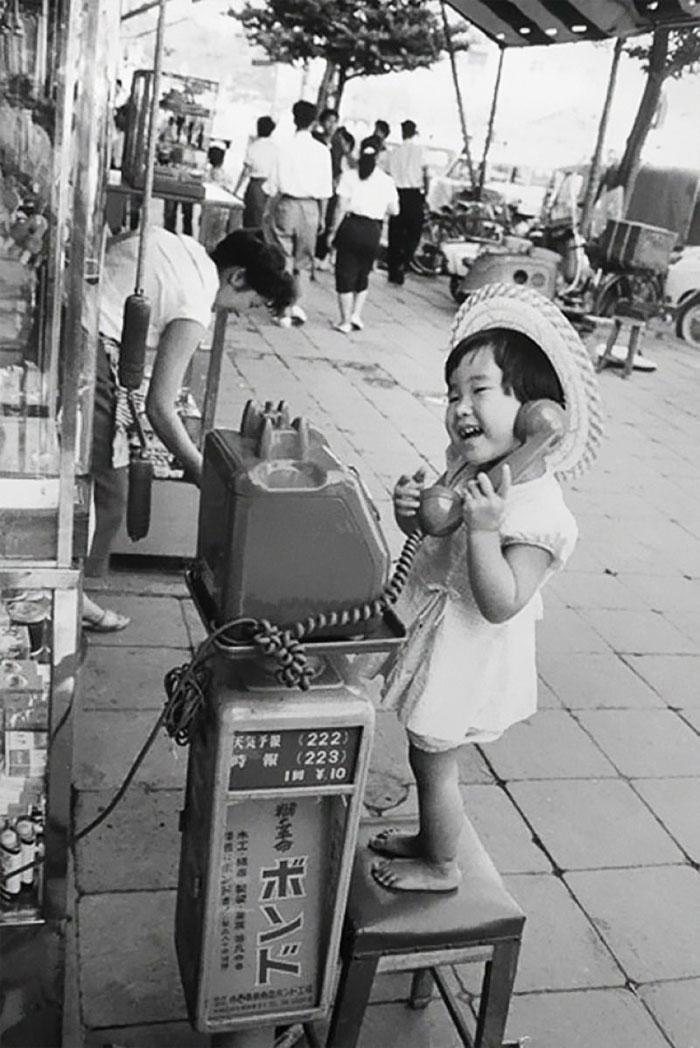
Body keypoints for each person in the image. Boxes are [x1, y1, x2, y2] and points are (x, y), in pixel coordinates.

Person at [367, 287, 602, 892]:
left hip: (469, 655)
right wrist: (410, 511)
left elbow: (502, 601)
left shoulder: (536, 511)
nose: (459, 407)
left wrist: (486, 529)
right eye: (453, 394)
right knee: (425, 755)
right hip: (435, 632)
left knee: (434, 759)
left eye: (480, 391)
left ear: (535, 416)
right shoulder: (470, 468)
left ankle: (442, 864)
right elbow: (432, 532)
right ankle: (429, 837)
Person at [81, 227, 296, 631]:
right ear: (236, 276)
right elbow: (160, 408)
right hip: (88, 345)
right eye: (251, 302)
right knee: (108, 490)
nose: (240, 311)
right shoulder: (198, 297)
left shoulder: (183, 247)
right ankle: (68, 597)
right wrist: (203, 473)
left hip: (75, 319)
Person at [263, 100, 333, 326]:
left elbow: (272, 187)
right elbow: (325, 188)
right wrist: (322, 217)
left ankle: (283, 309)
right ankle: (297, 305)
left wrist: (268, 210)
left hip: (287, 205)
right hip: (311, 208)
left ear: (294, 119)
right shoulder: (322, 151)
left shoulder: (284, 148)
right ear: (315, 122)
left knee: (284, 257)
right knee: (304, 259)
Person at [329, 136, 398, 334]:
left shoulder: (349, 176)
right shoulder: (386, 180)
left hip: (350, 227)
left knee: (344, 273)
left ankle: (344, 320)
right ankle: (356, 316)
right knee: (363, 273)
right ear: (378, 156)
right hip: (372, 231)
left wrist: (332, 231)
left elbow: (340, 207)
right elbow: (395, 210)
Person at [385, 119, 430, 285]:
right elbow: (426, 175)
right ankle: (404, 262)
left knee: (395, 233)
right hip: (414, 195)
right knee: (413, 233)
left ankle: (393, 269)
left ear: (403, 132)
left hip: (397, 193)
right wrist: (426, 194)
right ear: (415, 132)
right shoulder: (421, 151)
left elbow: (389, 174)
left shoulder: (394, 152)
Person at [233, 116, 277, 228]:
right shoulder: (276, 148)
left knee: (250, 221)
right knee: (264, 222)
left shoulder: (254, 147)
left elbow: (245, 171)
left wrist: (236, 191)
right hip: (271, 187)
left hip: (255, 187)